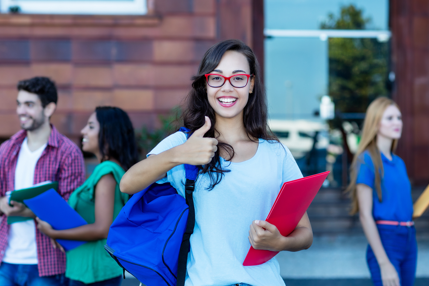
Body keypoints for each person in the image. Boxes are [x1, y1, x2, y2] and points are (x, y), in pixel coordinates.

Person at [120, 39, 313, 286]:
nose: (227, 87)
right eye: (217, 78)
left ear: (251, 84)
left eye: (238, 78)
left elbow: (305, 233)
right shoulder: (186, 142)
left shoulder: (276, 153)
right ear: (206, 85)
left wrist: (280, 243)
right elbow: (128, 183)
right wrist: (180, 154)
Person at [36, 106, 139, 286]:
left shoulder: (106, 171)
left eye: (91, 126)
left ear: (107, 133)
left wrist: (54, 232)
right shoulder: (105, 171)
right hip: (84, 269)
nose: (83, 131)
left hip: (94, 272)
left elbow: (102, 228)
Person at [0, 77, 85, 285]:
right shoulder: (6, 149)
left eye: (29, 105)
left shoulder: (68, 153)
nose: (21, 111)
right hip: (6, 259)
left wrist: (26, 210)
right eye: (19, 104)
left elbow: (70, 211)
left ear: (48, 109)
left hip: (47, 265)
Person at [346, 97, 417, 286]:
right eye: (390, 118)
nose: (397, 123)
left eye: (399, 118)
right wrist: (384, 263)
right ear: (375, 124)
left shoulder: (399, 163)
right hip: (386, 239)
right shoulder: (366, 160)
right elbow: (365, 216)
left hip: (410, 238)